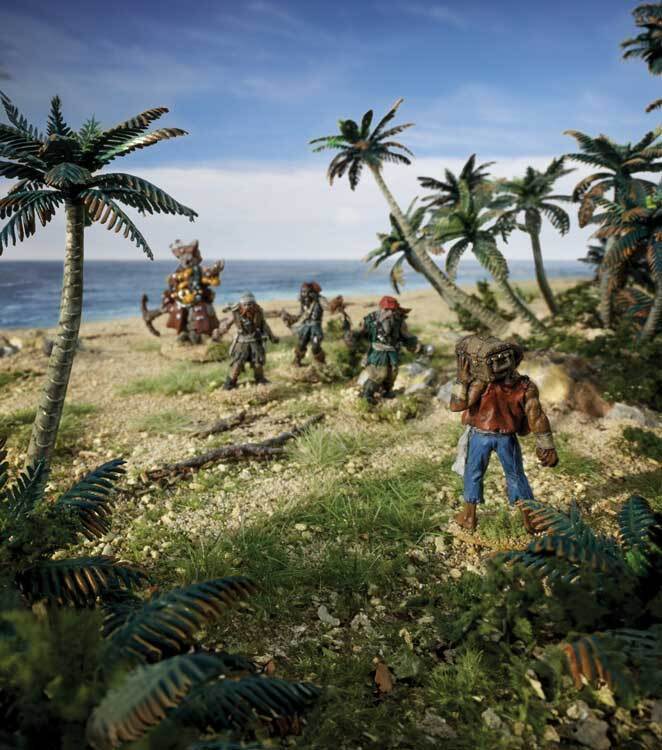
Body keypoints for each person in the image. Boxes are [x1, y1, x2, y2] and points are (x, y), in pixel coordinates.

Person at [449, 335, 558, 533]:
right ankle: (530, 519)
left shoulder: (480, 384)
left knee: (473, 474)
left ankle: (469, 517)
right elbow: (536, 417)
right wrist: (546, 445)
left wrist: (461, 381)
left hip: (480, 436)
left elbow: (457, 405)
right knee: (515, 476)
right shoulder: (525, 386)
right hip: (506, 439)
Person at [353, 296, 420, 404]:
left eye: (392, 309)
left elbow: (405, 335)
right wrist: (354, 337)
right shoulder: (371, 319)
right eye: (387, 309)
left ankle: (386, 391)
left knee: (392, 373)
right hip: (377, 352)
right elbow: (360, 332)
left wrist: (412, 343)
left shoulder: (399, 321)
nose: (390, 312)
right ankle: (367, 394)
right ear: (381, 308)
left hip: (392, 352)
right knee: (379, 374)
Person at [217, 292, 279, 389]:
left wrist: (272, 337)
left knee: (258, 362)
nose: (247, 307)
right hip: (242, 343)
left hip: (255, 341)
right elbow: (227, 324)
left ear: (254, 304)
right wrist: (221, 331)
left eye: (250, 304)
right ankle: (230, 383)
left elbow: (265, 326)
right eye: (245, 305)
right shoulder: (236, 313)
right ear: (241, 305)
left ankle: (260, 379)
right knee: (237, 363)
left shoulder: (258, 312)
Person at [287, 282, 326, 366]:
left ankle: (321, 363)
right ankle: (297, 362)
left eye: (306, 292)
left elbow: (328, 307)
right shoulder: (303, 302)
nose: (304, 294)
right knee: (301, 344)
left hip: (315, 328)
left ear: (311, 292)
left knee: (315, 346)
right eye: (302, 292)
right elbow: (301, 314)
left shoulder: (319, 300)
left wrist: (318, 299)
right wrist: (292, 318)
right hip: (306, 327)